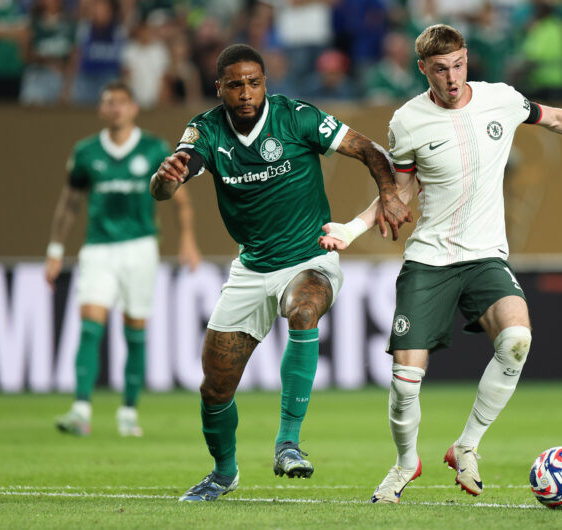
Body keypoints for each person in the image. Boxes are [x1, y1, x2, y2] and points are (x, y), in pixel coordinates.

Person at [318, 23, 562, 504]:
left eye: (459, 65)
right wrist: (351, 230)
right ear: (423, 70)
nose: (453, 77)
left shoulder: (500, 98)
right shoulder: (407, 121)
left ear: (467, 61)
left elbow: (560, 119)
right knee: (405, 382)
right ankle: (404, 464)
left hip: (485, 256)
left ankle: (467, 445)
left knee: (517, 338)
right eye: (441, 69)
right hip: (430, 259)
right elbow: (399, 192)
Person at [150, 44, 411, 502]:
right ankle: (223, 474)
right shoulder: (207, 130)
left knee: (304, 309)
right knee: (214, 387)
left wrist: (389, 193)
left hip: (310, 258)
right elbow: (168, 183)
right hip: (251, 269)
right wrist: (165, 179)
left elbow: (368, 149)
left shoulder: (297, 118)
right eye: (235, 85)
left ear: (265, 82)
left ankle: (288, 443)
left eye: (254, 82)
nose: (246, 92)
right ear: (220, 89)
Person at [47, 80, 201, 437]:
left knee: (135, 331)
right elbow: (69, 204)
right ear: (102, 109)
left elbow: (180, 201)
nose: (115, 108)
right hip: (98, 248)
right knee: (90, 327)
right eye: (108, 102)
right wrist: (55, 250)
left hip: (141, 248)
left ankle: (128, 411)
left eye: (121, 102)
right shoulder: (86, 152)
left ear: (133, 108)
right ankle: (81, 410)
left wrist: (189, 241)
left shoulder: (153, 149)